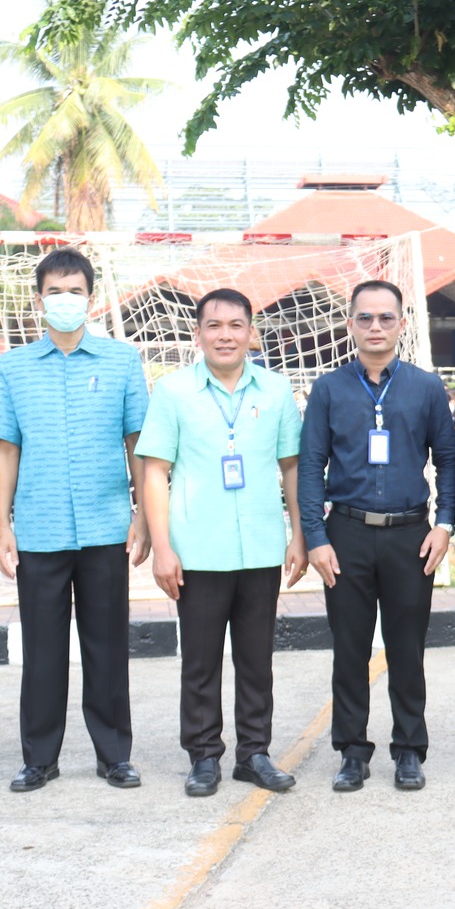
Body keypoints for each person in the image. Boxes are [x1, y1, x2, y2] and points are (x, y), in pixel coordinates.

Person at [136, 287, 307, 798]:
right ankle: (204, 755)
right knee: (201, 662)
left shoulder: (275, 390)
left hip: (260, 546)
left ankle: (254, 754)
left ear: (251, 333)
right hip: (197, 549)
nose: (225, 335)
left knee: (256, 661)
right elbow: (154, 472)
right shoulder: (173, 392)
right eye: (214, 325)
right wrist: (163, 547)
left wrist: (298, 535)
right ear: (198, 334)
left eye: (236, 325)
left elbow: (292, 467)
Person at [0, 248, 151, 792]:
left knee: (107, 647)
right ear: (39, 300)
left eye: (75, 291)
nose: (65, 300)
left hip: (106, 527)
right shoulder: (14, 367)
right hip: (40, 530)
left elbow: (137, 443)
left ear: (91, 298)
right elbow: (6, 448)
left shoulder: (121, 361)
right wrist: (3, 525)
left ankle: (114, 756)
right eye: (55, 291)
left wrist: (142, 517)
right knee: (43, 652)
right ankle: (39, 758)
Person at [300, 280, 455, 792]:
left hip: (410, 536)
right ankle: (352, 751)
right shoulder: (328, 389)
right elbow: (310, 466)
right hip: (345, 533)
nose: (375, 327)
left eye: (385, 318)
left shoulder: (425, 388)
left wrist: (445, 524)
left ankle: (409, 750)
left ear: (401, 324)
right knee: (349, 649)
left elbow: (448, 460)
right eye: (365, 317)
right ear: (350, 324)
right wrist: (315, 535)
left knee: (407, 649)